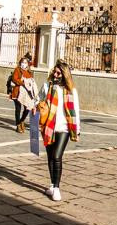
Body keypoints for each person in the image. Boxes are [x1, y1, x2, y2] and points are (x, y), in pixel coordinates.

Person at [39, 60, 81, 202]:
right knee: (50, 157)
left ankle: (56, 188)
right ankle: (52, 185)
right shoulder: (47, 86)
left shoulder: (71, 91)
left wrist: (77, 129)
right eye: (54, 72)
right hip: (49, 127)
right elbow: (38, 101)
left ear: (64, 75)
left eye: (59, 73)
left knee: (57, 156)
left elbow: (76, 111)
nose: (55, 74)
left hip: (64, 128)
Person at [10, 53, 34, 133]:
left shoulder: (29, 72)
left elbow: (31, 82)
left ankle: (21, 121)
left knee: (27, 108)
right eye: (22, 62)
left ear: (28, 64)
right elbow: (14, 79)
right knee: (18, 109)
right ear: (20, 63)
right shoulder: (17, 69)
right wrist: (23, 82)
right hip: (17, 92)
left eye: (25, 63)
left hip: (26, 93)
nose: (24, 64)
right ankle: (18, 125)